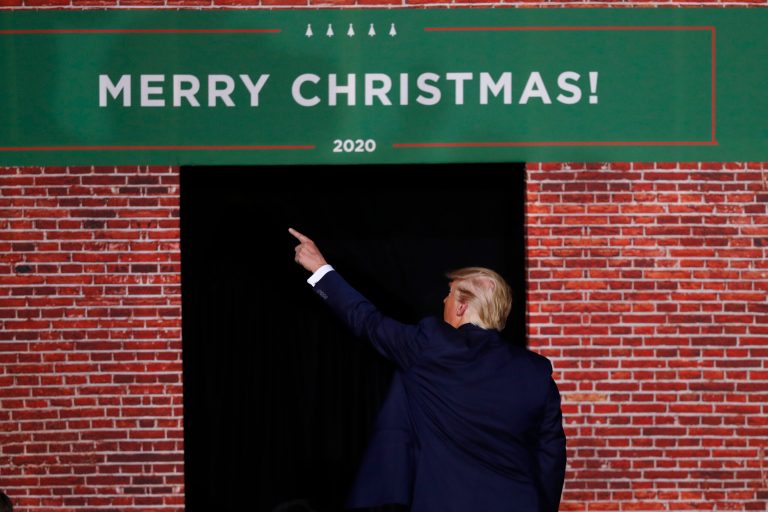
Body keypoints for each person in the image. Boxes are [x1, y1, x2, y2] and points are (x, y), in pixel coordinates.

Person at [289, 228, 566, 512]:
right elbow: (551, 459)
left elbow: (367, 320)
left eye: (449, 295)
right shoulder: (536, 373)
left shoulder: (430, 344)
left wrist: (320, 269)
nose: (444, 301)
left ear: (461, 307)